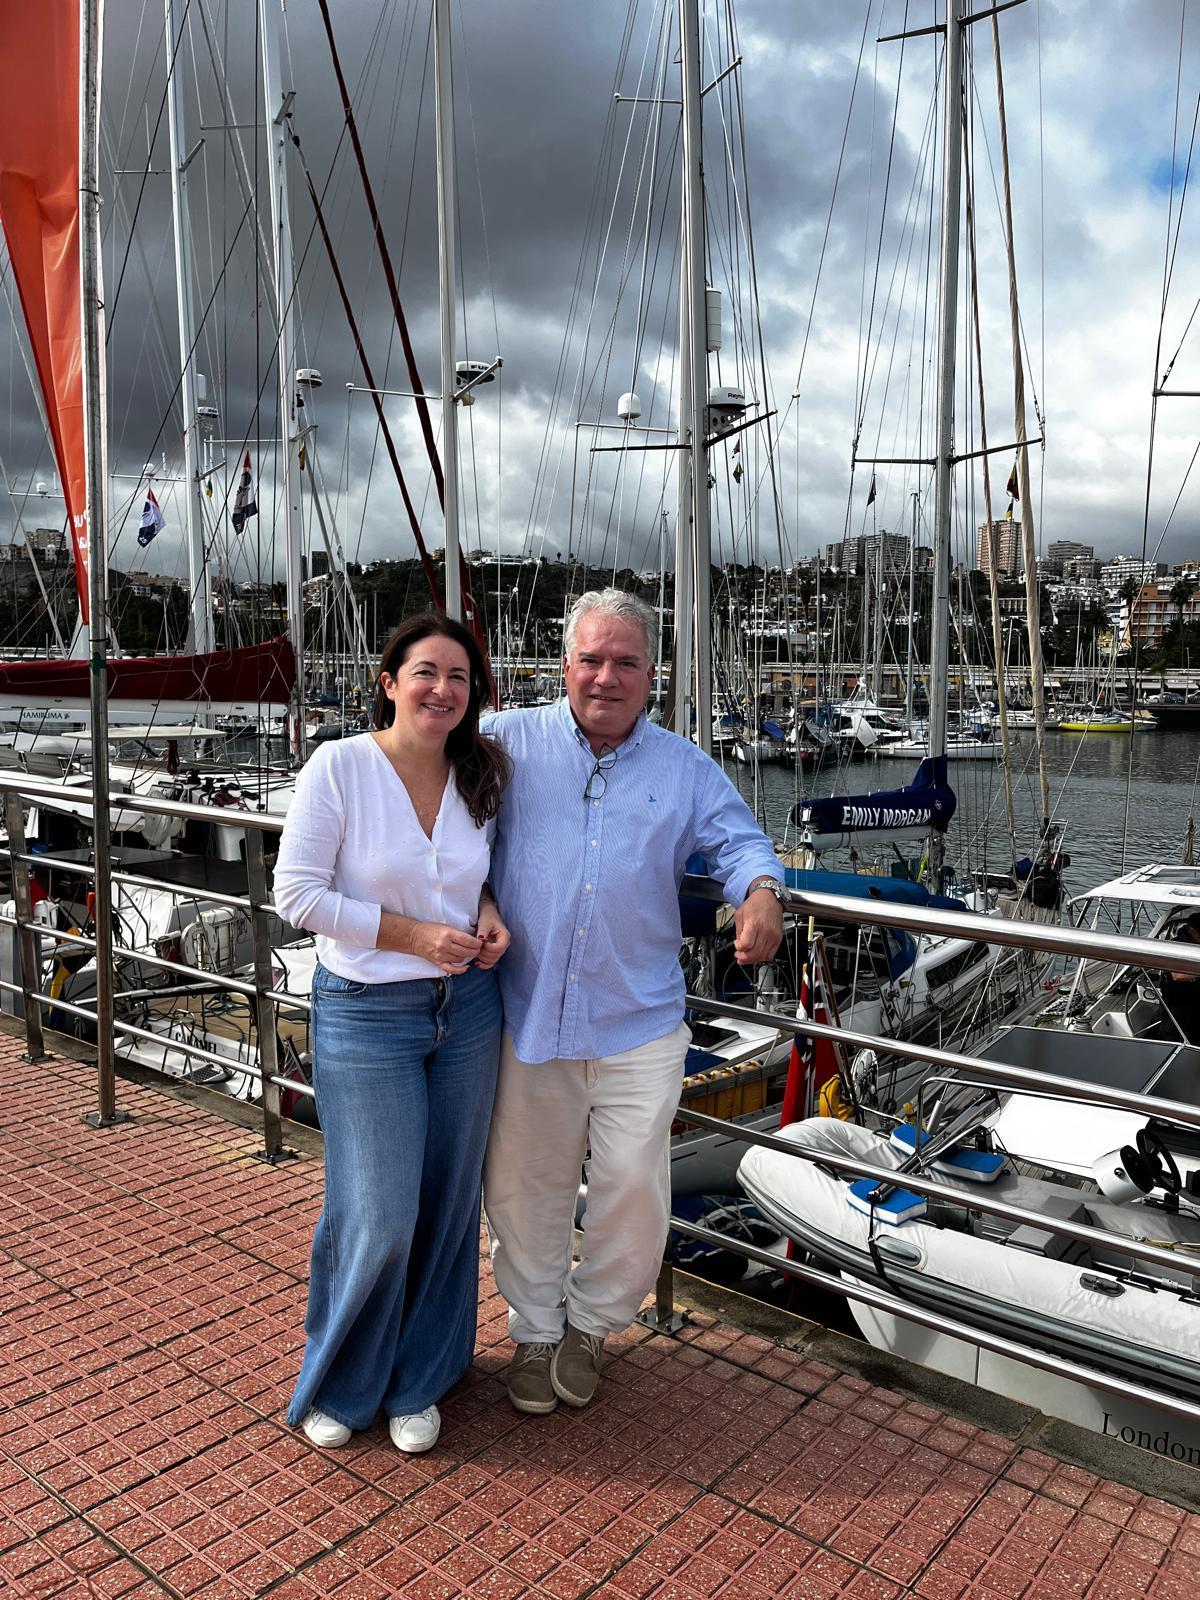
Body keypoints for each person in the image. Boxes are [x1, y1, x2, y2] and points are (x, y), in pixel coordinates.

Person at [482, 588, 785, 1416]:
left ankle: (591, 1325)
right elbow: (438, 825)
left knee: (632, 1184)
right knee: (523, 1183)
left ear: (651, 674)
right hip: (529, 1009)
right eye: (591, 659)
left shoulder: (685, 766)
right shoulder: (505, 743)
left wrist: (760, 891)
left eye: (624, 662)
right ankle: (536, 1328)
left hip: (639, 1018)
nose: (606, 677)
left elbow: (740, 838)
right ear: (564, 667)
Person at [273, 613, 510, 1454]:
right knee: (376, 1212)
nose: (443, 689)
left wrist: (486, 920)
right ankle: (344, 1379)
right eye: (426, 672)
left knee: (449, 1206)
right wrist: (413, 937)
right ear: (389, 680)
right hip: (367, 1010)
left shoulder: (479, 774)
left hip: (469, 1012)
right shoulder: (339, 767)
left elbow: (479, 882)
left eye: (458, 677)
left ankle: (422, 1378)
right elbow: (296, 896)